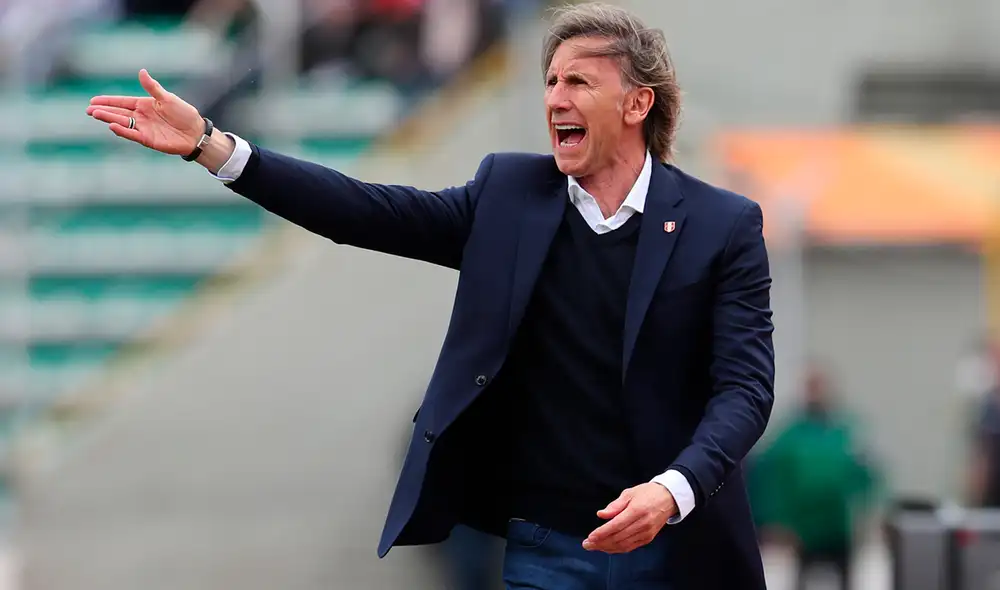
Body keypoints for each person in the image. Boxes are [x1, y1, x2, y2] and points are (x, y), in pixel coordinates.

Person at [85, 3, 775, 588]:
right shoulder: (509, 196)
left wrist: (673, 489)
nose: (555, 98)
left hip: (681, 548)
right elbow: (364, 211)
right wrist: (214, 147)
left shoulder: (723, 226)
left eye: (579, 82)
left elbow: (745, 390)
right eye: (551, 80)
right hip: (551, 548)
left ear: (637, 104)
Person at [750, 367, 879, 590]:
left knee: (845, 580)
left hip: (839, 524)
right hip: (804, 529)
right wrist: (774, 521)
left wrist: (866, 513)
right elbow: (769, 478)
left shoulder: (844, 431)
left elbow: (866, 474)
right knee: (802, 580)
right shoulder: (790, 435)